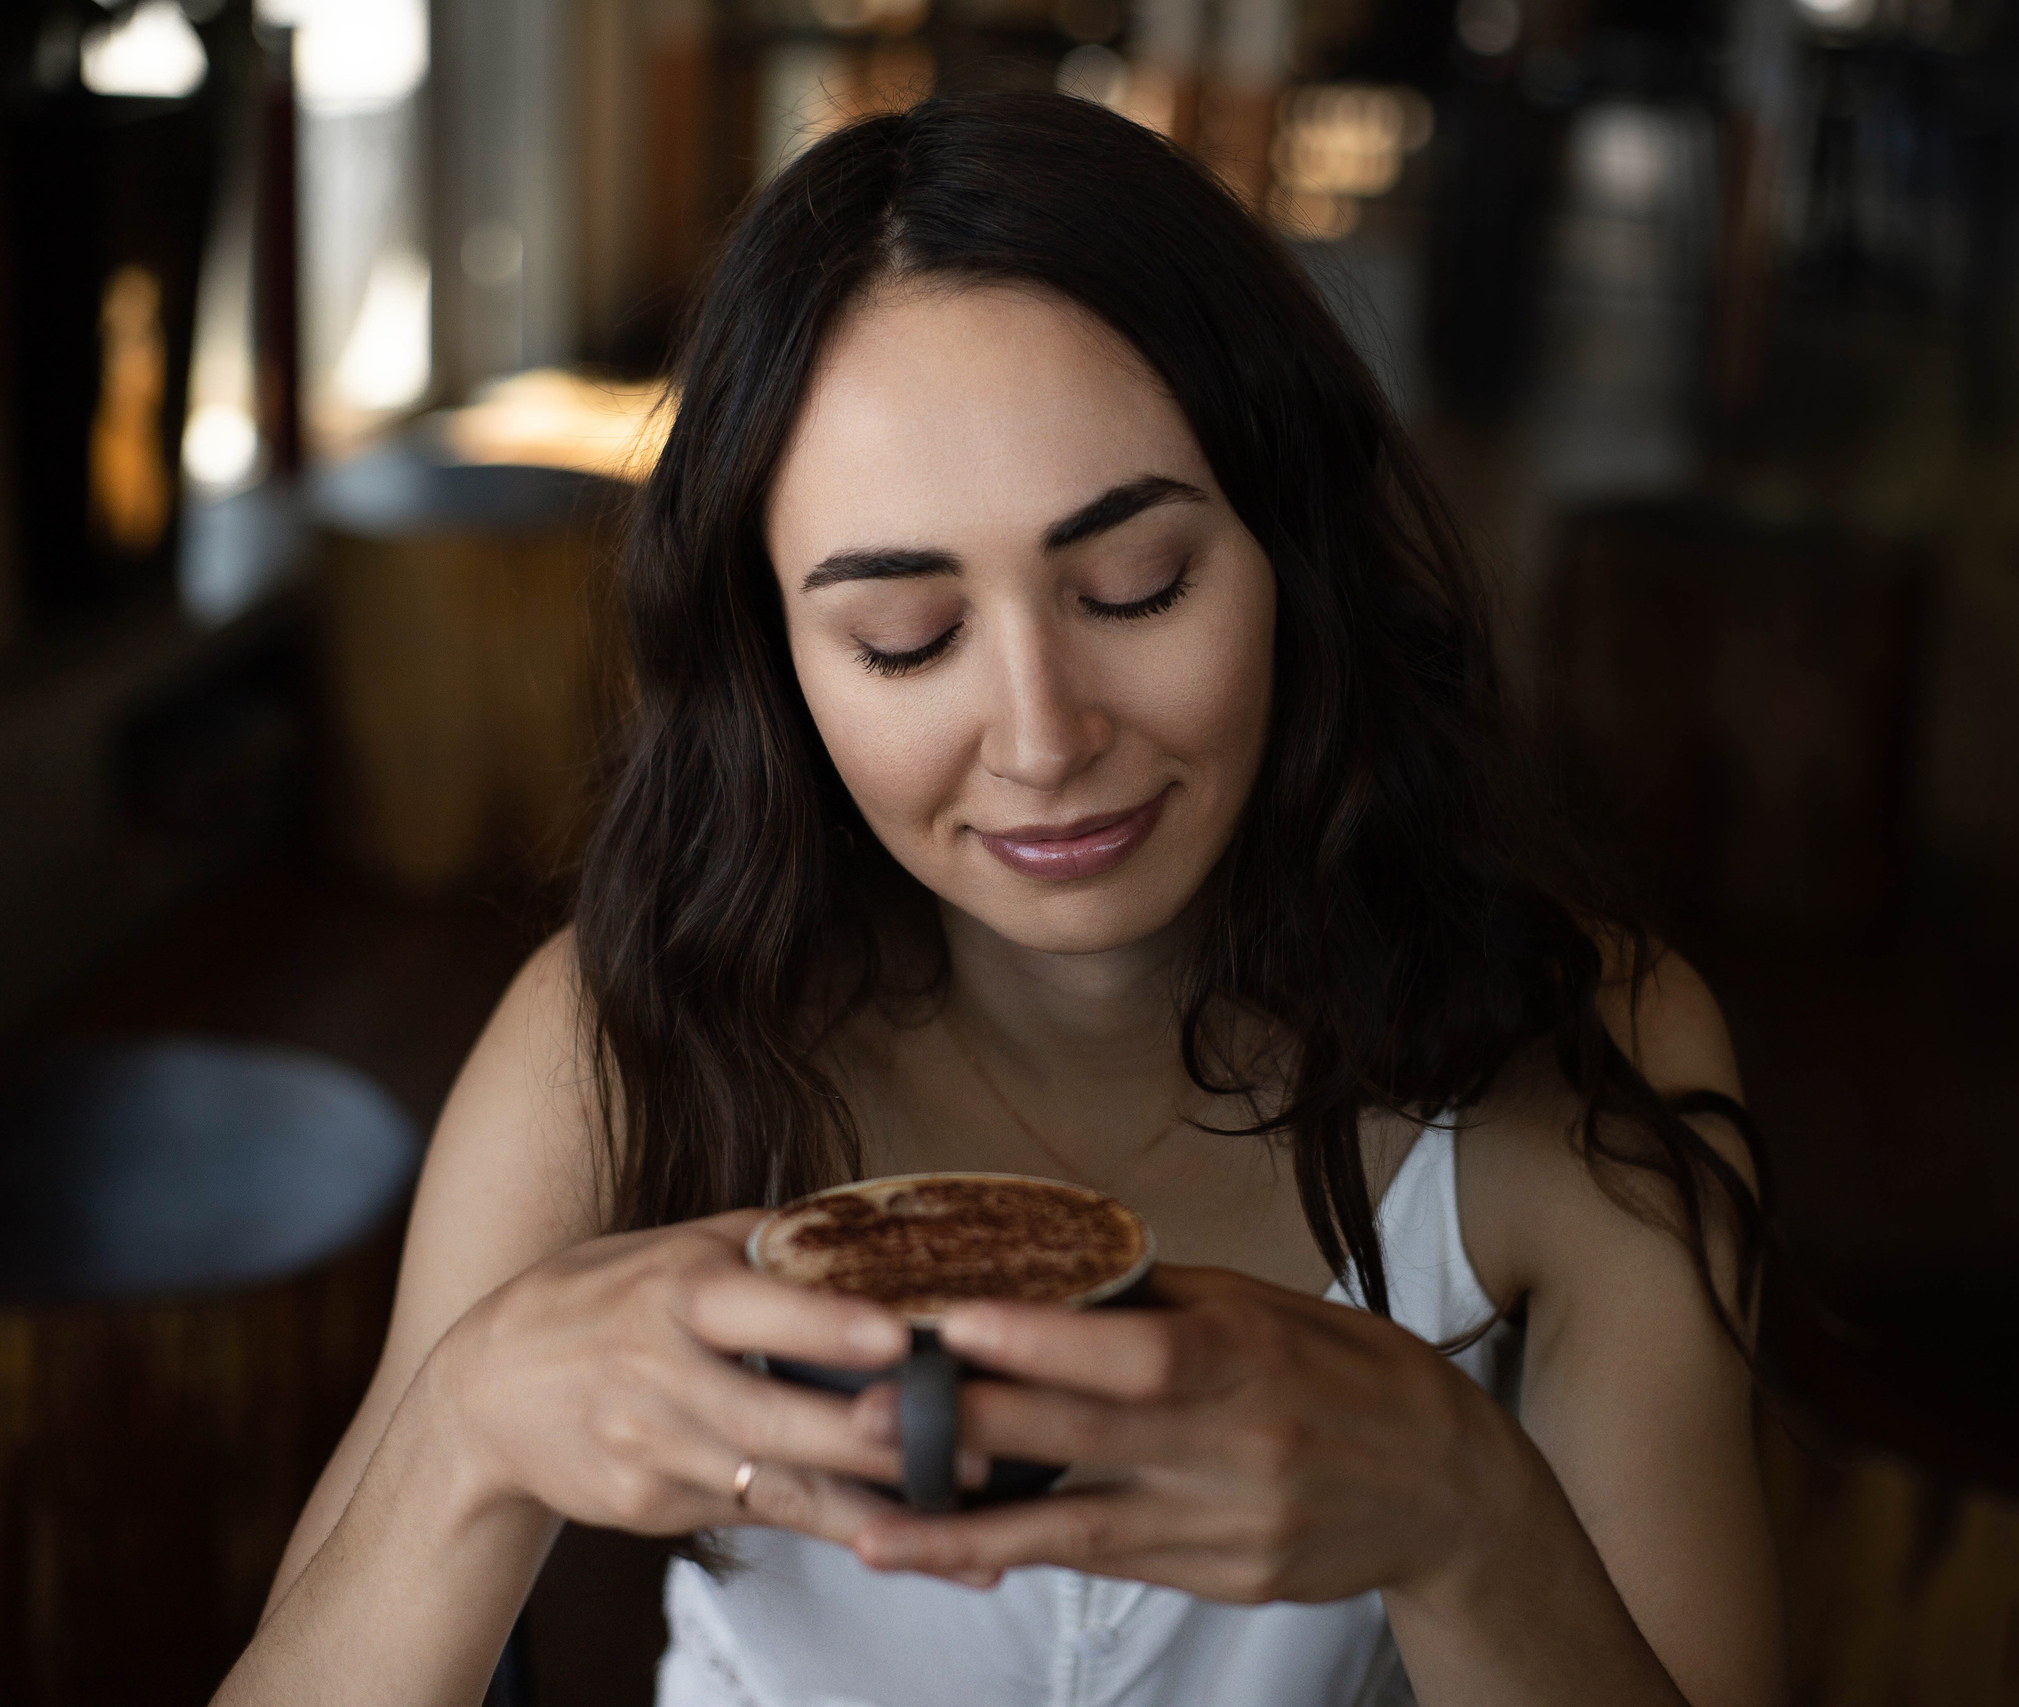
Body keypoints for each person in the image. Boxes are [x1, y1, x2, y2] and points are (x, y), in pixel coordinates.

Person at [216, 91, 1784, 1707]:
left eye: (1136, 588)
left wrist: (1468, 1520)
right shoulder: (617, 1033)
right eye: (904, 637)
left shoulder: (1589, 1053)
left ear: (1296, 550)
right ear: (775, 662)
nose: (1044, 740)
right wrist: (466, 1431)